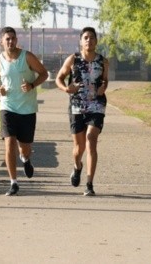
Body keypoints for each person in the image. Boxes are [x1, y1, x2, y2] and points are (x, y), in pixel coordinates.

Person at [0, 26, 49, 196]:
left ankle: (26, 159)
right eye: (7, 39)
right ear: (1, 42)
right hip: (7, 107)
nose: (10, 41)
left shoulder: (27, 57)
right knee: (9, 143)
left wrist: (31, 85)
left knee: (25, 147)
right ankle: (13, 182)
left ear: (16, 40)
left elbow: (44, 74)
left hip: (27, 108)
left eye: (13, 38)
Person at [55, 27, 108, 196]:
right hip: (77, 106)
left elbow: (105, 80)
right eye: (85, 37)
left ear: (96, 41)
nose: (89, 40)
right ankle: (77, 166)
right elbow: (58, 78)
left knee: (91, 139)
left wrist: (103, 87)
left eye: (92, 38)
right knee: (79, 148)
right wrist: (66, 89)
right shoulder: (73, 59)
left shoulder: (103, 61)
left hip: (96, 105)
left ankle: (89, 183)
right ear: (80, 41)